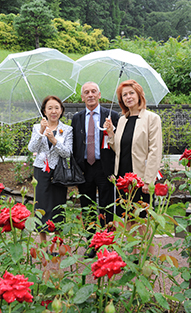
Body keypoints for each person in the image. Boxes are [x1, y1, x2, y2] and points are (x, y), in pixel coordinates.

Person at [104, 79, 162, 256]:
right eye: (124, 95)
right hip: (123, 178)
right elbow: (119, 149)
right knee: (127, 218)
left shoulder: (152, 118)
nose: (128, 97)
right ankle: (133, 254)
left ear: (139, 95)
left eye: (131, 93)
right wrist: (111, 133)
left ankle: (147, 257)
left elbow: (155, 150)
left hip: (140, 178)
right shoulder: (122, 120)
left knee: (142, 219)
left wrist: (148, 180)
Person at [71, 82, 119, 255]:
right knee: (87, 207)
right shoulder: (77, 118)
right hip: (85, 168)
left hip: (105, 167)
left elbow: (118, 144)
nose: (90, 94)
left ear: (99, 95)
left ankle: (108, 243)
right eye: (86, 92)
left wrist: (111, 130)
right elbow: (75, 143)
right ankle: (92, 244)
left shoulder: (112, 115)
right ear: (82, 97)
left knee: (107, 207)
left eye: (93, 91)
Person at [28, 95, 72, 253]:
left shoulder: (67, 130)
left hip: (58, 172)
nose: (53, 111)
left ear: (61, 110)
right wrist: (41, 131)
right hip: (41, 171)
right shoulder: (36, 127)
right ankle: (44, 245)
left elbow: (67, 153)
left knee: (58, 206)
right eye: (50, 108)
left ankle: (58, 244)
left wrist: (54, 140)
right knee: (41, 205)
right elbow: (32, 148)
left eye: (57, 108)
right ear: (44, 111)